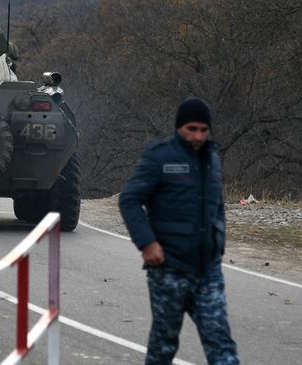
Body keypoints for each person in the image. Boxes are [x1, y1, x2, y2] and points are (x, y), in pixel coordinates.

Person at [119, 98, 239, 365]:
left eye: (203, 130)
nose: (197, 136)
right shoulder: (159, 157)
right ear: (179, 128)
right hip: (168, 269)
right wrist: (147, 244)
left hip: (207, 270)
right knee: (164, 345)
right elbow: (129, 199)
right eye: (191, 129)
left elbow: (217, 206)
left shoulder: (213, 160)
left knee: (221, 342)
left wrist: (218, 242)